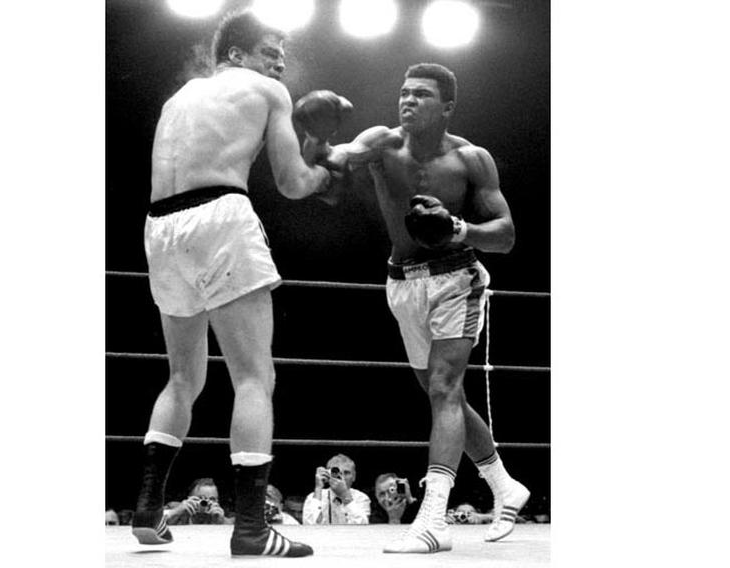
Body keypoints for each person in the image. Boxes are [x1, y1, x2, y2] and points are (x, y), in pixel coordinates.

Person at [131, 9, 335, 559]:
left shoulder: (180, 98)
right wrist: (327, 172)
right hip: (220, 215)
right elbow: (293, 184)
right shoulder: (267, 91)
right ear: (236, 55)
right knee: (253, 377)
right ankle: (250, 529)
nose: (279, 63)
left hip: (161, 226)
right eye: (270, 51)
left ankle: (148, 510)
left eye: (282, 56)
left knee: (182, 378)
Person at [318, 63, 530, 553]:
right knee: (442, 394)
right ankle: (504, 485)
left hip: (457, 277)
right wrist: (315, 137)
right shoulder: (382, 143)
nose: (407, 101)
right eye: (404, 92)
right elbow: (336, 159)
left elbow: (506, 234)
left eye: (421, 95)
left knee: (443, 387)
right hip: (401, 282)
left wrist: (460, 229)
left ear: (447, 107)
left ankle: (433, 519)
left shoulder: (471, 159)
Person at [302, 453, 371, 524]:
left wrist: (345, 495)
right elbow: (309, 525)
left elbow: (361, 527)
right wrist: (318, 488)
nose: (342, 477)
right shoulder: (313, 497)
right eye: (336, 473)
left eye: (346, 473)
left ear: (354, 476)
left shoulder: (361, 498)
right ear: (327, 474)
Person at [164, 478, 229, 525]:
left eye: (212, 499)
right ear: (189, 499)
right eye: (200, 498)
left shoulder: (222, 515)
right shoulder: (176, 508)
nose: (205, 503)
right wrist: (173, 513)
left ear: (218, 502)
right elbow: (154, 521)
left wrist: (222, 522)